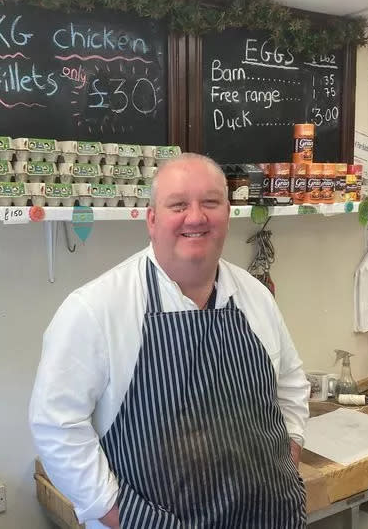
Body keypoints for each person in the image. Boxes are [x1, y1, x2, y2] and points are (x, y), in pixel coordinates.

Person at [30, 153, 310, 528]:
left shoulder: (255, 296)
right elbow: (56, 427)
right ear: (152, 219)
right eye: (178, 205)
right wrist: (113, 510)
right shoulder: (95, 308)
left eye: (210, 202)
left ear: (228, 213)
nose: (195, 217)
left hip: (266, 518)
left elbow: (291, 383)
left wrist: (288, 459)